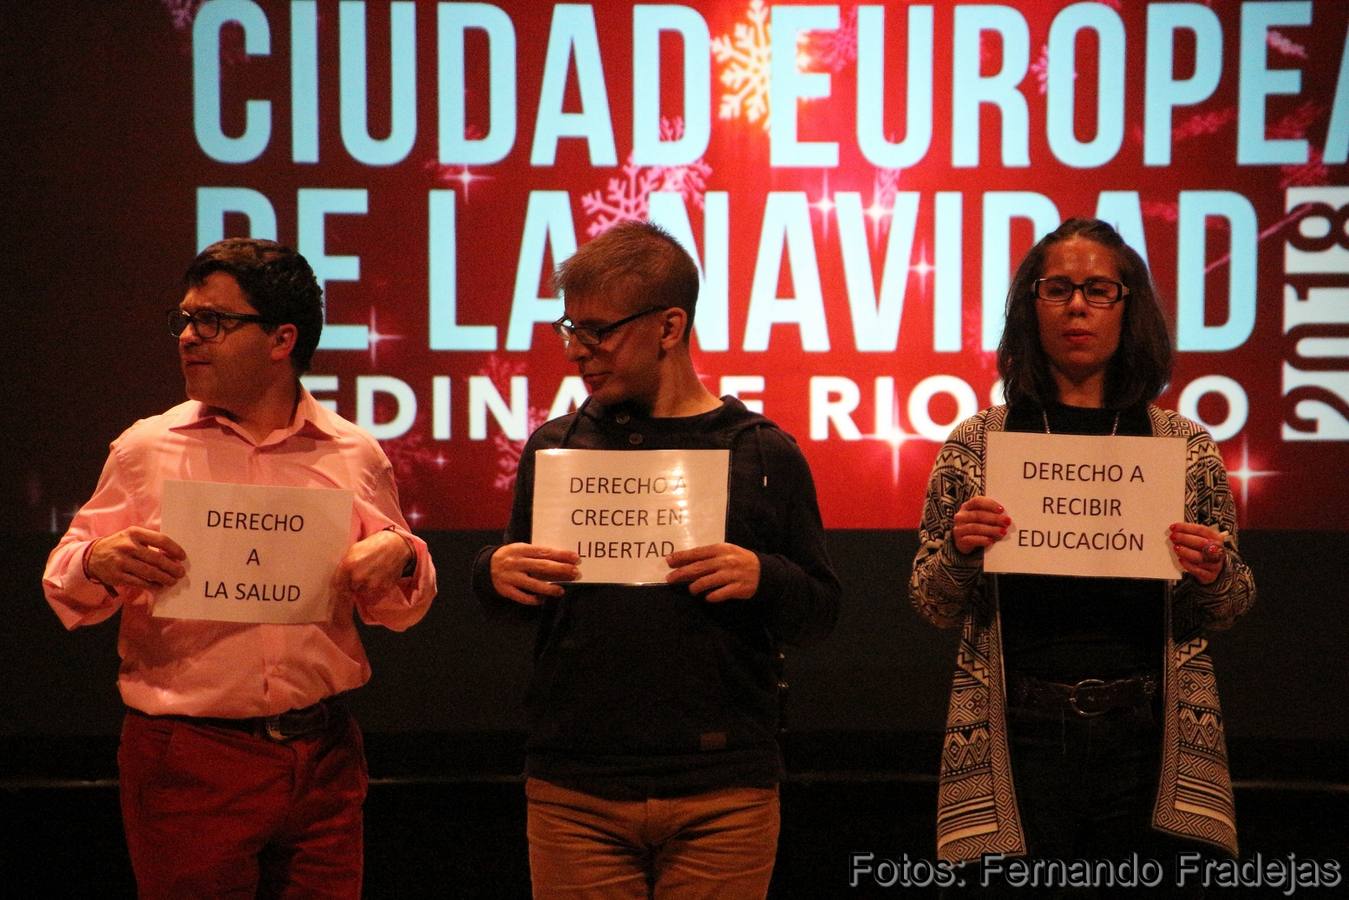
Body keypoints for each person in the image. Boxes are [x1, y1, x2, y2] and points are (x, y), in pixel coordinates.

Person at [43, 238, 436, 898]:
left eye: (213, 322)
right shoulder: (147, 448)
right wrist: (97, 559)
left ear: (281, 340)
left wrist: (402, 557)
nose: (189, 338)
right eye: (186, 320)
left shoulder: (353, 453)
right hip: (190, 756)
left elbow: (399, 607)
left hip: (323, 752)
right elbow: (65, 577)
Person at [472, 220, 840, 898]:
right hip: (574, 790)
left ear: (669, 327)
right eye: (569, 330)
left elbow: (819, 608)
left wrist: (765, 577)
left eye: (598, 331)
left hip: (722, 792)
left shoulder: (760, 451)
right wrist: (492, 575)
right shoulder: (556, 448)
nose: (577, 352)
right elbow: (515, 590)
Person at [908, 218, 1256, 876]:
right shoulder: (978, 443)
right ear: (1028, 307)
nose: (1076, 305)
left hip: (1148, 739)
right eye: (1056, 288)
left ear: (1129, 309)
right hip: (1018, 735)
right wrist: (958, 550)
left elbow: (1232, 604)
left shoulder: (1180, 445)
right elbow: (929, 600)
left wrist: (1212, 571)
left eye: (1098, 289)